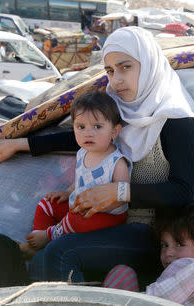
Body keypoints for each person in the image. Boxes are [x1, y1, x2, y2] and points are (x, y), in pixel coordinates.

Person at [0, 26, 194, 283]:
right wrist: (19, 144)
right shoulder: (121, 106)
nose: (116, 80)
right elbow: (83, 135)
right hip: (103, 221)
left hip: (149, 232)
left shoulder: (175, 118)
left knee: (57, 253)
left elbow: (182, 190)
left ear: (148, 64)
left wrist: (118, 192)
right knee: (1, 244)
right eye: (110, 71)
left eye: (126, 67)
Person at [19, 91, 131, 257]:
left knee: (77, 220)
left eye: (97, 127)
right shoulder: (82, 153)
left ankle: (49, 236)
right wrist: (68, 192)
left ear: (114, 131)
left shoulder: (116, 162)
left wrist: (95, 207)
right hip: (79, 206)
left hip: (106, 216)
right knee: (47, 203)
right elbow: (80, 179)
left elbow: (123, 196)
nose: (88, 133)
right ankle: (38, 244)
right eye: (81, 127)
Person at [103, 203, 194, 305]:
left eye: (180, 244)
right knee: (123, 273)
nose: (168, 252)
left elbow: (154, 302)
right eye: (164, 245)